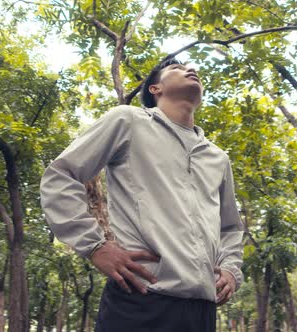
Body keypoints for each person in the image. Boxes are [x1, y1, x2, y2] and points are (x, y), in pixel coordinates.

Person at [40, 58, 244, 332]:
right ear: (155, 89)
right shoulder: (129, 121)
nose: (191, 70)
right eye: (177, 69)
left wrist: (231, 269)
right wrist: (94, 246)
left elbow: (230, 226)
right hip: (140, 297)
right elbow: (61, 175)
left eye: (193, 69)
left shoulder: (217, 157)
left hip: (202, 309)